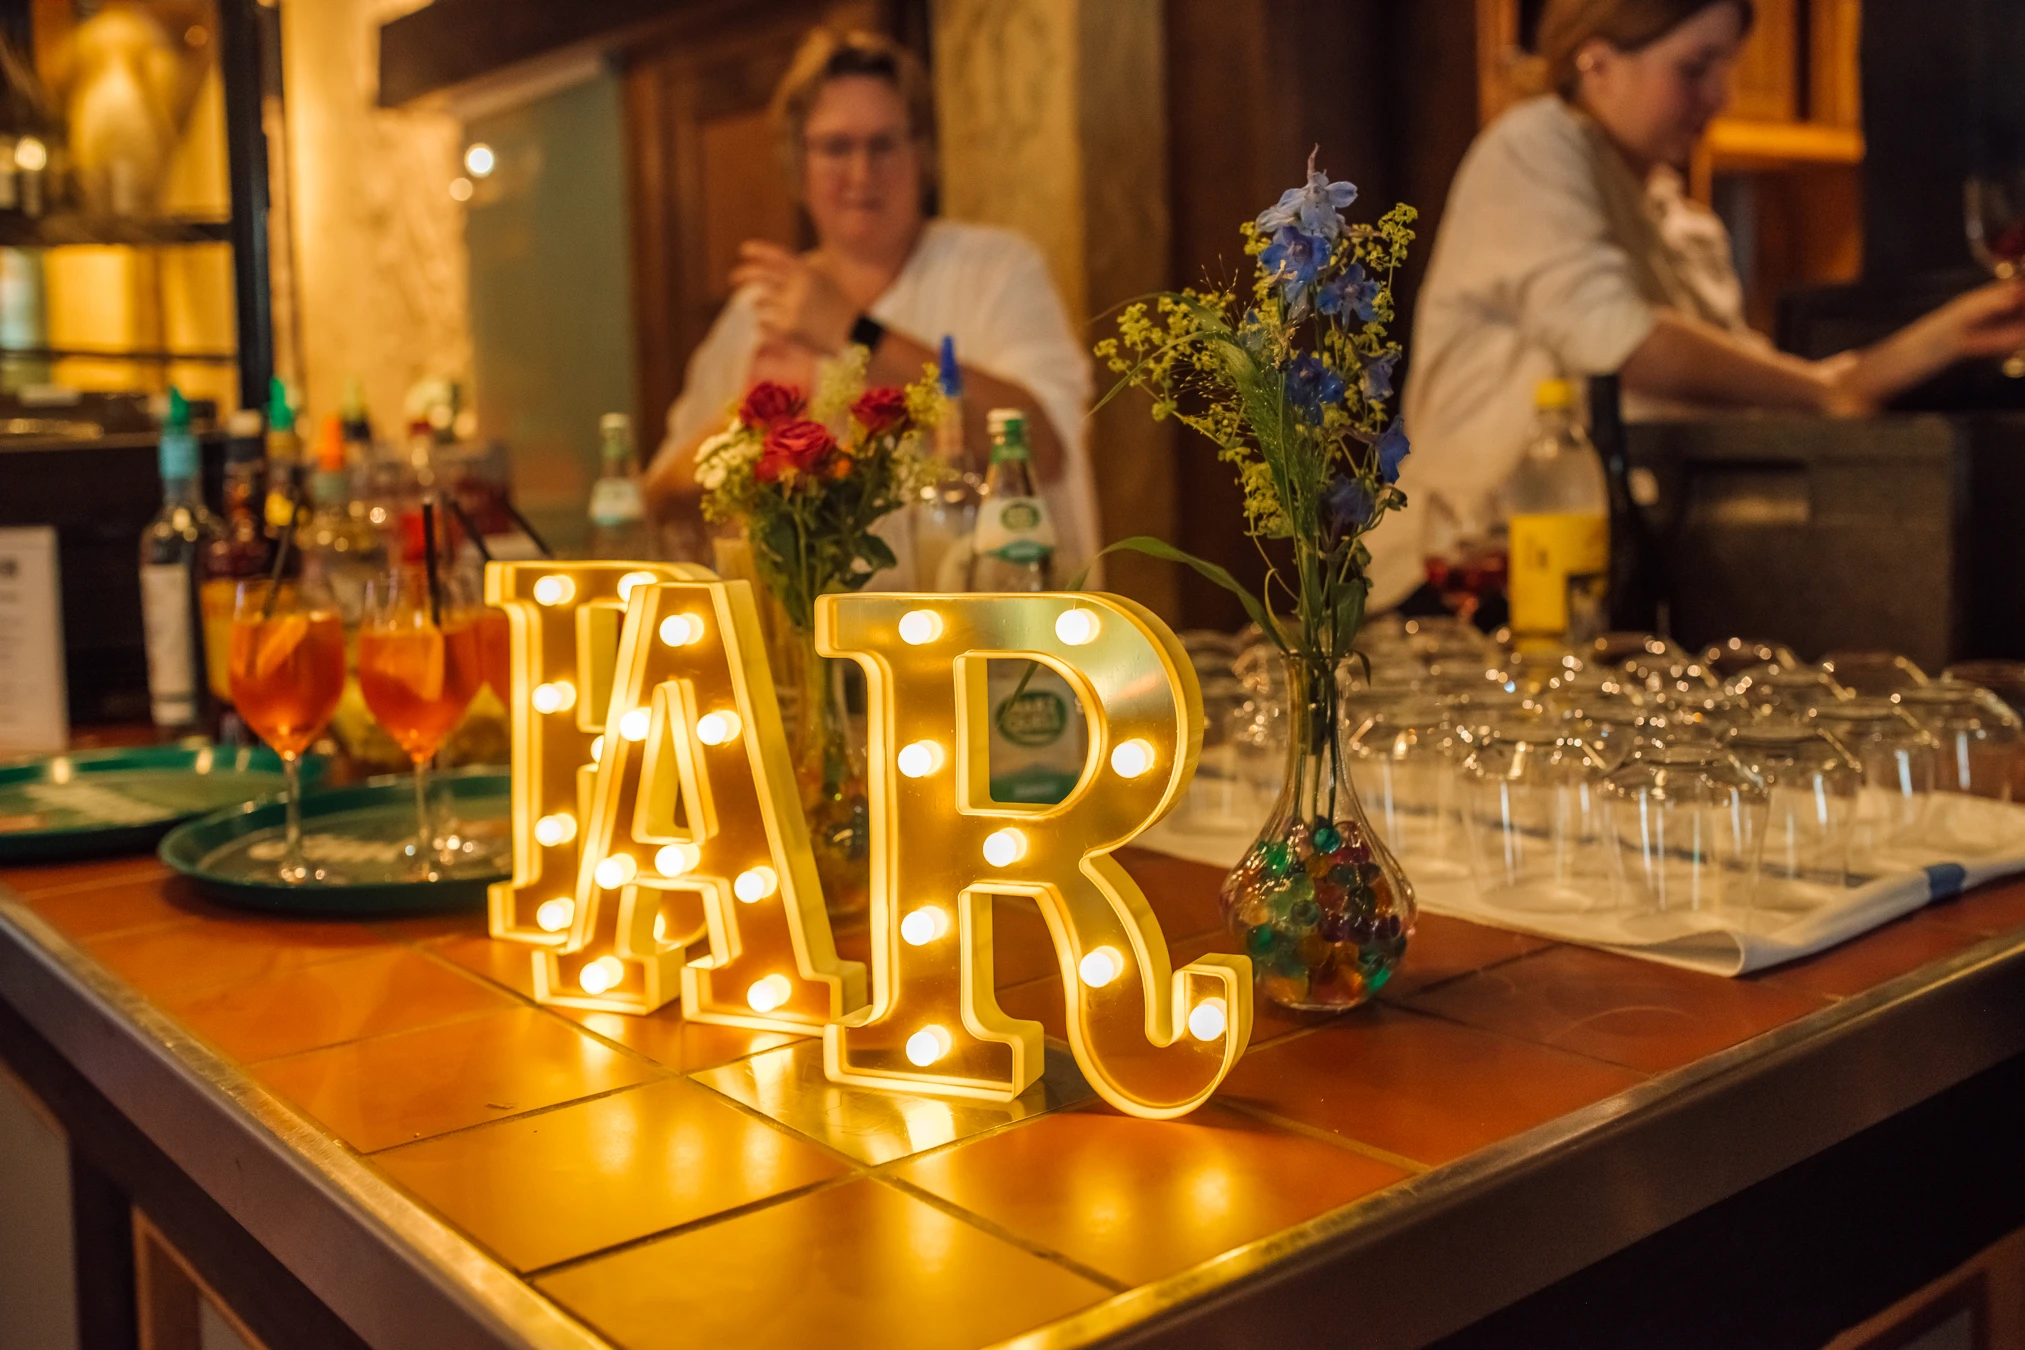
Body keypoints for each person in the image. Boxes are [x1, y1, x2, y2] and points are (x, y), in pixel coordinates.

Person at [1384, 0, 2025, 611]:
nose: (1721, 96)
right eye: (1695, 67)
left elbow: (1750, 401)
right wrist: (1834, 386)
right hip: (1458, 580)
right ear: (1597, 63)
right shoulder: (1531, 146)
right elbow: (1618, 339)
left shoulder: (1687, 228)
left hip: (1595, 579)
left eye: (1727, 68)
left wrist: (1941, 343)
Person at [644, 29, 1099, 580]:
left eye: (883, 145)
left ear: (923, 154)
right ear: (798, 162)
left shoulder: (996, 268)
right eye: (836, 147)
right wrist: (752, 420)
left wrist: (852, 331)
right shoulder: (759, 307)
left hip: (988, 643)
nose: (861, 174)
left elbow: (1043, 448)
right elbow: (661, 500)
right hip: (817, 642)